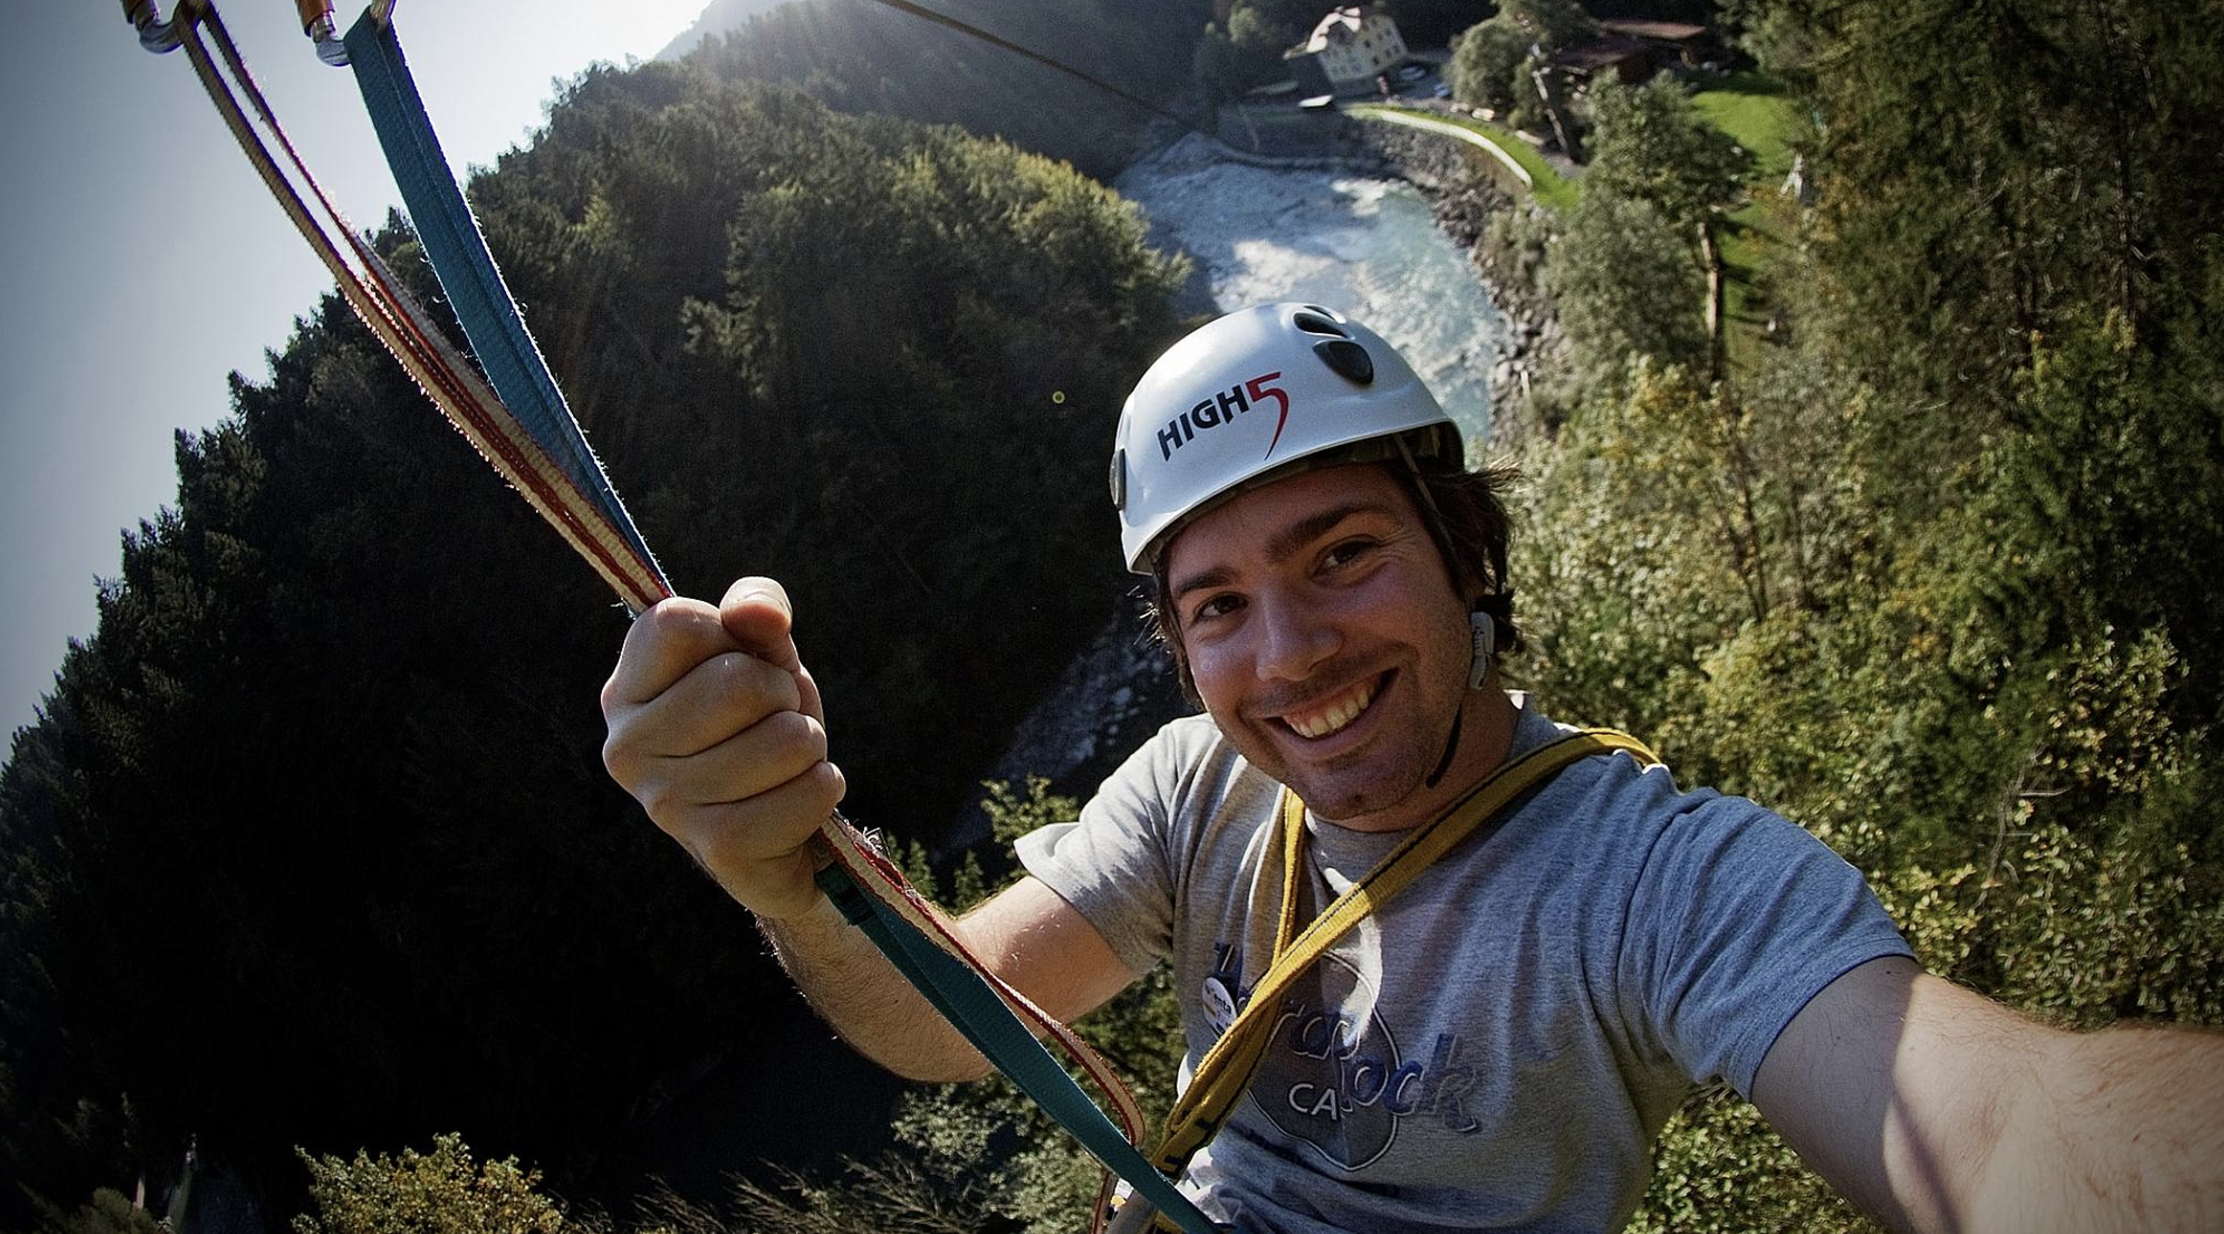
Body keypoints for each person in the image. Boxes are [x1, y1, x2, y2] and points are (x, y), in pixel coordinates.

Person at [601, 302, 2222, 1233]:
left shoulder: (1651, 879)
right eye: (1219, 604)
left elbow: (2002, 1129)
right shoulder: (1194, 791)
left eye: (1344, 551)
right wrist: (785, 874)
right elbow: (949, 1020)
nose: (1290, 652)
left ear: (1465, 553)